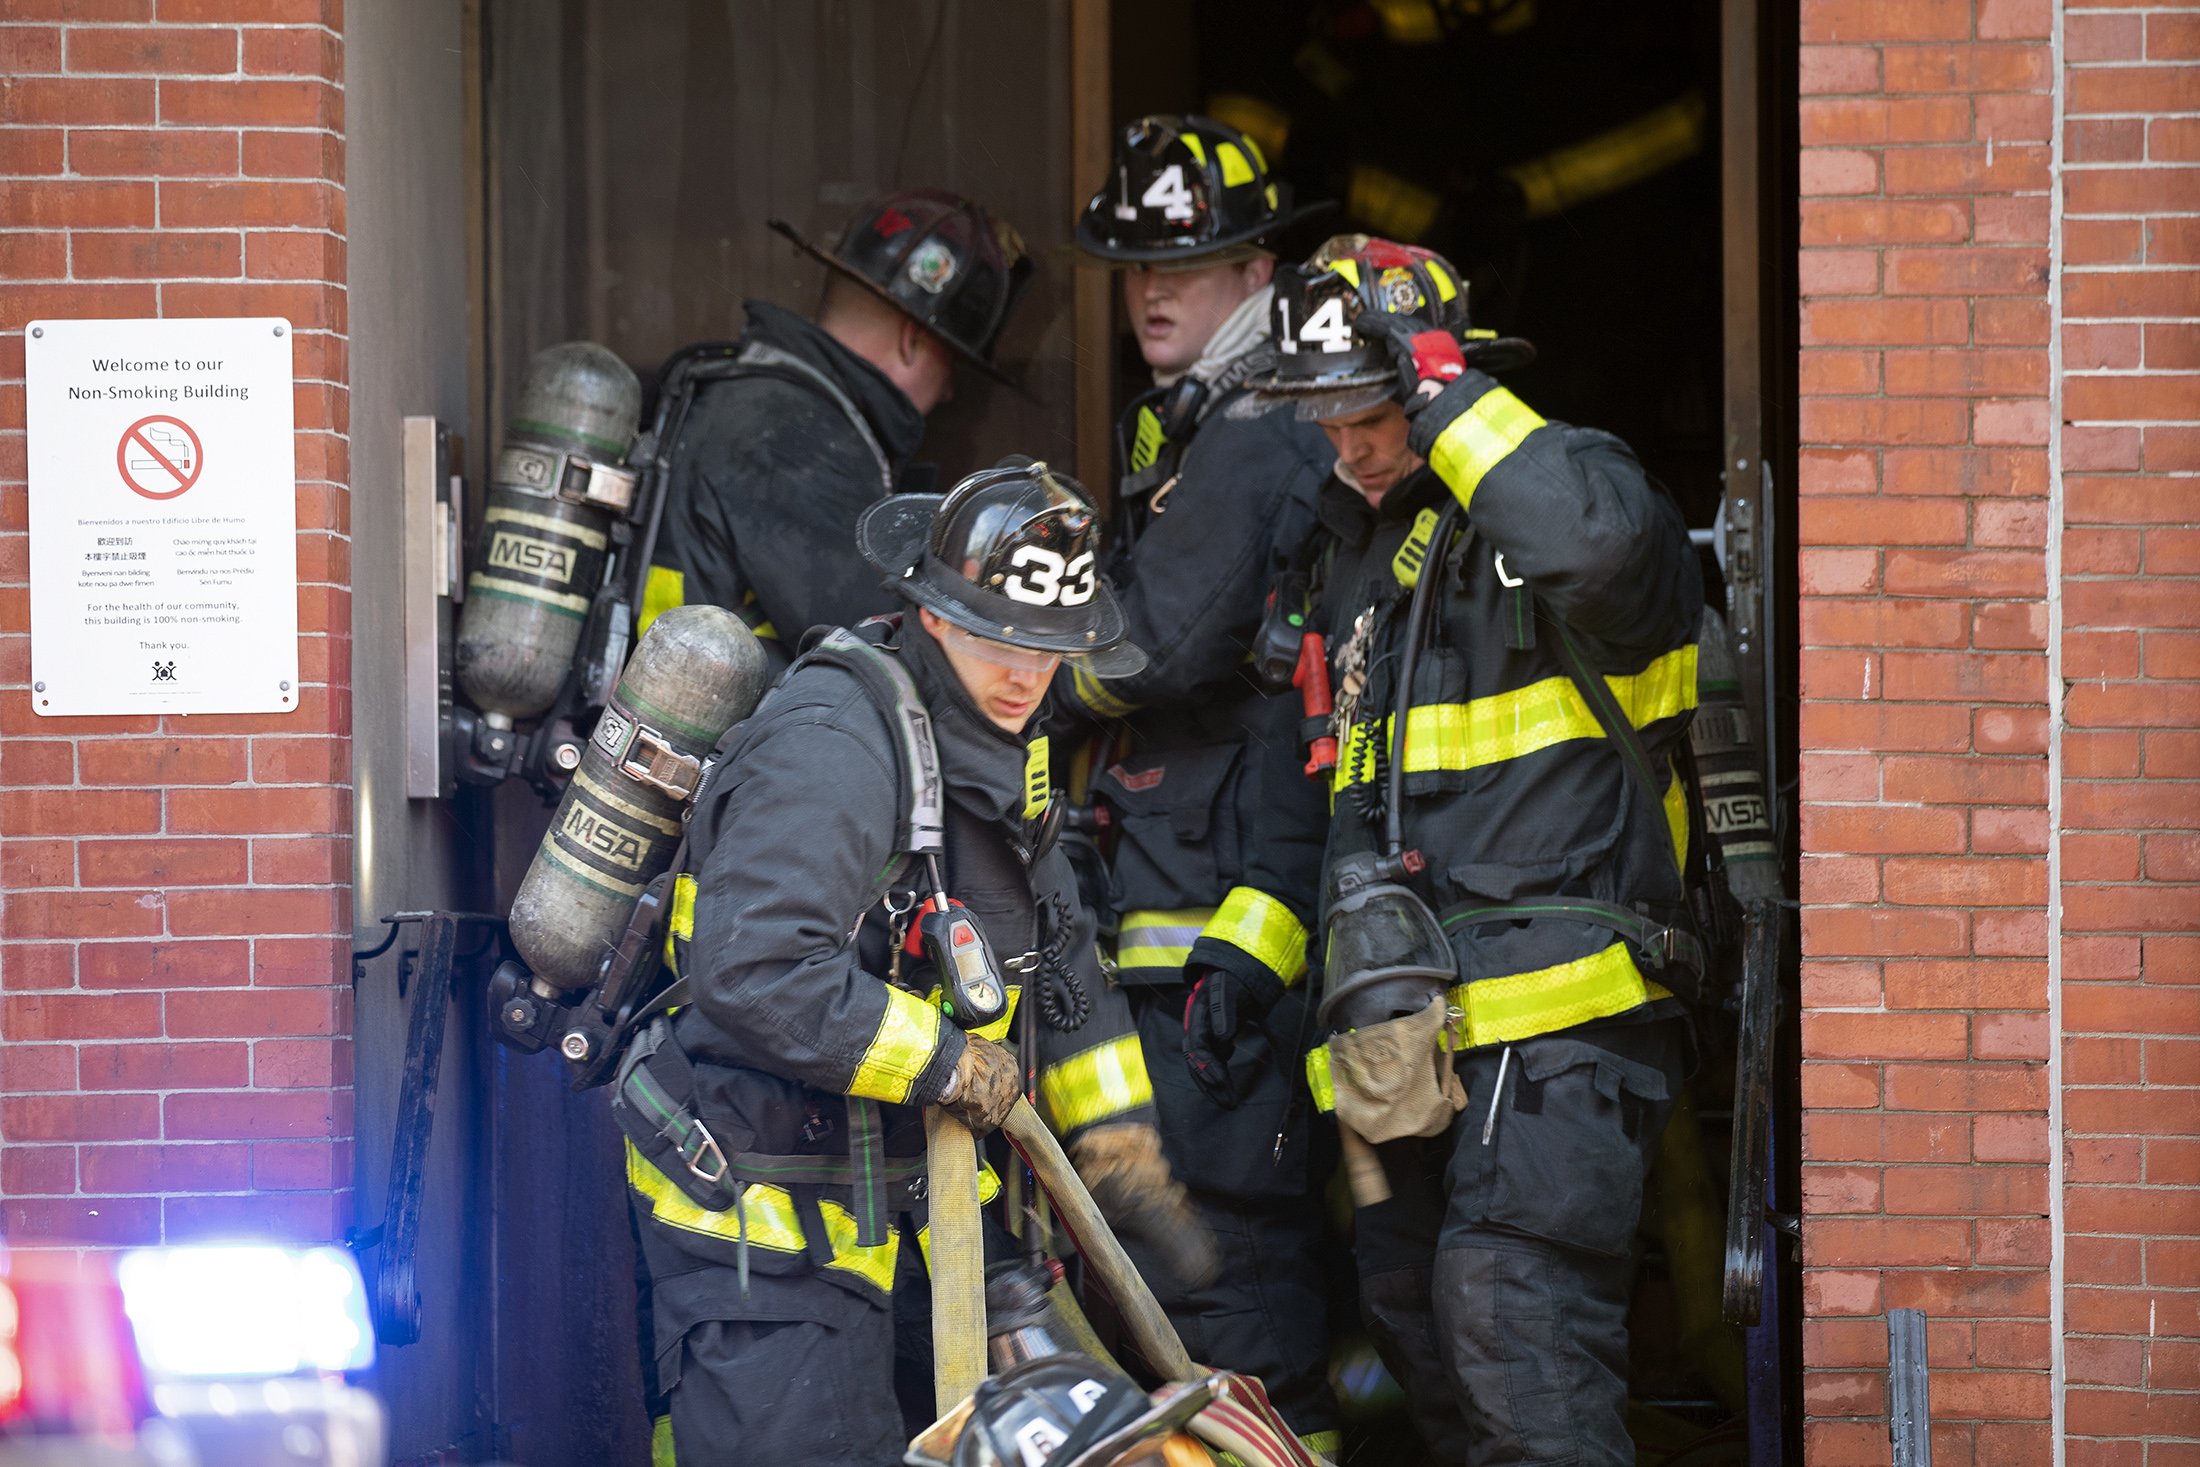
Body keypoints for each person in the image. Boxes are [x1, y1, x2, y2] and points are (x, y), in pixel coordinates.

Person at [1187, 235, 1702, 1466]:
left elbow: (1597, 552)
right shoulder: (1347, 559)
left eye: (1372, 416)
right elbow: (1330, 802)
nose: (1351, 447)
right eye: (1327, 423)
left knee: (1507, 1309)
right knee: (1415, 1313)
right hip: (1399, 1031)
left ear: (1436, 382)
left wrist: (1444, 398)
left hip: (1560, 1012)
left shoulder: (1573, 490)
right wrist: (1252, 954)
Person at [621, 461, 1207, 1466]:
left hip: (909, 1202)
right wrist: (946, 1061)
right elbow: (757, 969)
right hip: (765, 1214)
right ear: (934, 614)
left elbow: (1055, 950)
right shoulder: (834, 746)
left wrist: (1116, 1136)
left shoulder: (995, 734)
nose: (1026, 676)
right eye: (1000, 641)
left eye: (1048, 651)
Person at [1052, 114, 1343, 1451]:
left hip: (1224, 909)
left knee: (1228, 1282)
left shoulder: (1260, 428)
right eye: (1134, 269)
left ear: (1257, 271)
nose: (1151, 294)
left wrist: (1002, 664)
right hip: (1185, 894)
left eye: (1185, 265)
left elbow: (1150, 644)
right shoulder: (1199, 421)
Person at [641, 189, 1032, 672]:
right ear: (913, 339)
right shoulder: (796, 442)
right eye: (952, 363)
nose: (949, 391)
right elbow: (891, 654)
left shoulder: (753, 400)